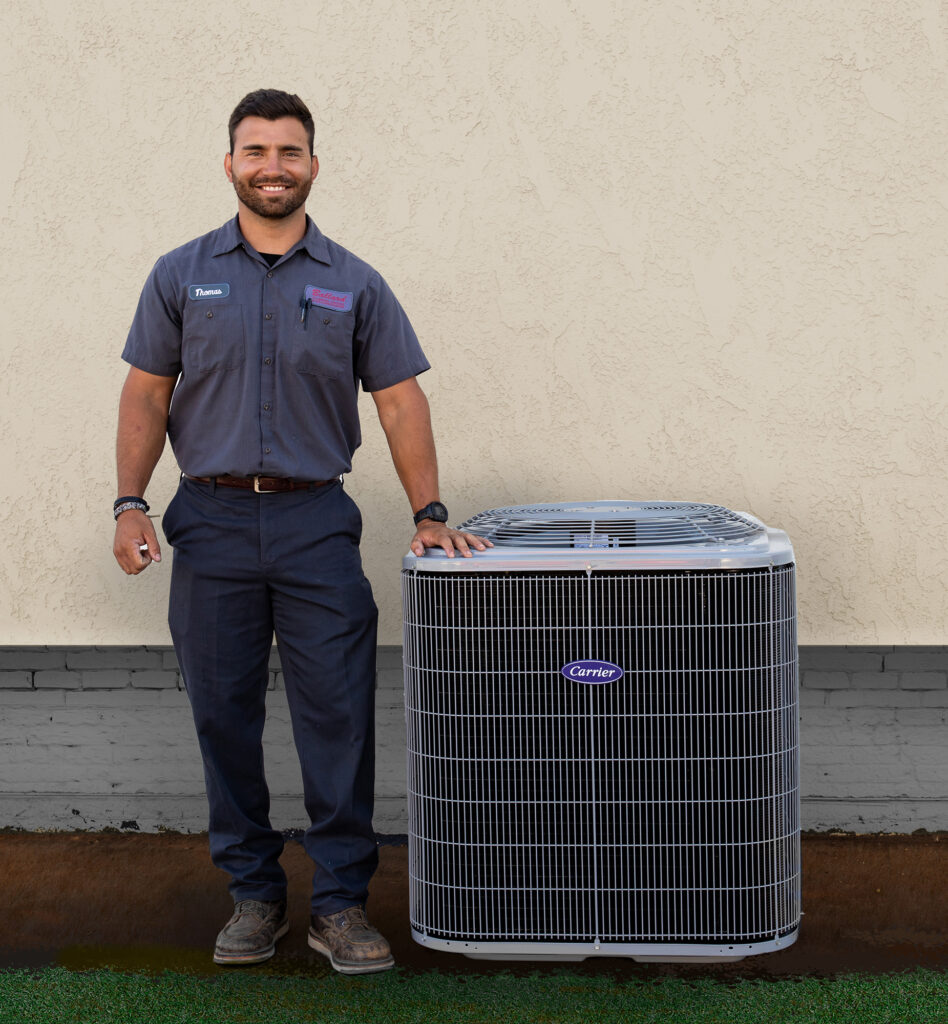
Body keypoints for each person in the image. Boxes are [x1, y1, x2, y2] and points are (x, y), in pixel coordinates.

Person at [112, 89, 489, 975]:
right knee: (224, 716)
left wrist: (430, 511)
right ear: (231, 162)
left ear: (314, 164)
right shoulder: (180, 273)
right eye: (255, 150)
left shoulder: (355, 281)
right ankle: (253, 895)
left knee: (338, 716)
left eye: (289, 151)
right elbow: (145, 393)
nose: (272, 166)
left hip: (316, 520)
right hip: (207, 521)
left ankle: (340, 904)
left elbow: (399, 398)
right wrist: (128, 502)